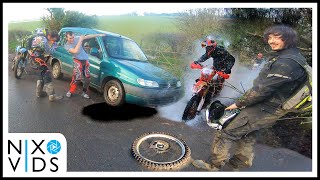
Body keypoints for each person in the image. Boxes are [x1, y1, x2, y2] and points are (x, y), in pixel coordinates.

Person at [192, 24, 308, 171]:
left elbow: (263, 90)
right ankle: (240, 163)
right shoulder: (293, 57)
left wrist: (239, 104)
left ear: (288, 39)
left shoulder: (286, 63)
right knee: (249, 133)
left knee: (227, 131)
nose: (271, 41)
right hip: (272, 107)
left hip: (266, 107)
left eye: (276, 37)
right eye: (270, 38)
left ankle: (213, 165)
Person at [193, 37, 235, 104]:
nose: (207, 49)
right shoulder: (210, 51)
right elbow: (205, 56)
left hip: (223, 68)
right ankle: (199, 89)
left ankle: (215, 96)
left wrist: (228, 69)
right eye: (206, 47)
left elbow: (232, 59)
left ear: (213, 47)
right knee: (206, 75)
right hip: (215, 66)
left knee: (219, 82)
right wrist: (197, 61)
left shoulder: (221, 51)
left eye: (208, 48)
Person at [64, 31, 106, 99]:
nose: (72, 39)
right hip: (77, 60)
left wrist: (99, 34)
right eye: (70, 38)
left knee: (88, 78)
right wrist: (80, 40)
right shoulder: (67, 46)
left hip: (85, 60)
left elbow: (87, 36)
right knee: (77, 78)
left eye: (73, 37)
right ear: (66, 38)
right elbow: (75, 51)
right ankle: (71, 91)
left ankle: (84, 92)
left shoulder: (76, 38)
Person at [30, 28, 63, 102]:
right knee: (46, 73)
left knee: (41, 72)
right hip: (38, 58)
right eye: (53, 40)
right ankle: (52, 96)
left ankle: (39, 93)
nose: (53, 41)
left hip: (34, 56)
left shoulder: (41, 35)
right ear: (49, 36)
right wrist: (55, 45)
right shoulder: (44, 41)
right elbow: (51, 52)